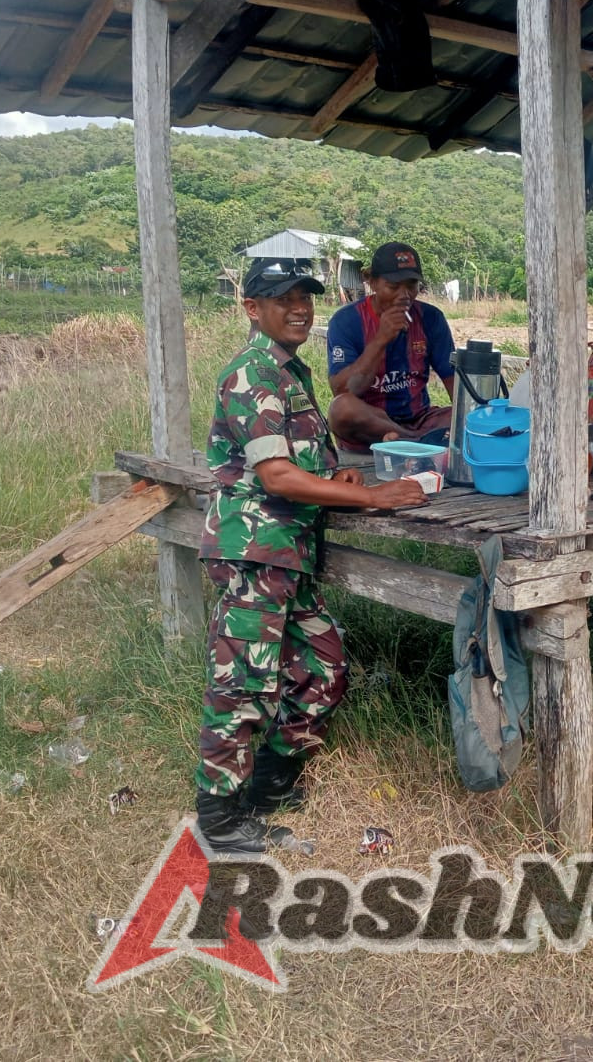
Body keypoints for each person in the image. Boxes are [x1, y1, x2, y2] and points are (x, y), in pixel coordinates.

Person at [196, 255, 428, 854]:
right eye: (284, 299)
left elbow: (298, 464)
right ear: (252, 309)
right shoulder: (251, 374)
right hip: (255, 551)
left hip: (290, 553)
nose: (300, 309)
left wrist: (336, 480)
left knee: (323, 669)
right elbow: (275, 476)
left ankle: (271, 785)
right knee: (243, 683)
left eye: (305, 297)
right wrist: (372, 496)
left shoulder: (289, 371)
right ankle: (220, 817)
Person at [325, 241, 456, 450]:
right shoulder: (346, 321)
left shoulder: (431, 318)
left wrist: (470, 418)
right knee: (341, 409)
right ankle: (417, 443)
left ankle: (408, 441)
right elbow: (342, 390)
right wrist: (381, 340)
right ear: (371, 281)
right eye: (393, 287)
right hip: (372, 424)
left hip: (420, 419)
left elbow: (453, 380)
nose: (404, 296)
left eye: (411, 285)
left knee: (468, 415)